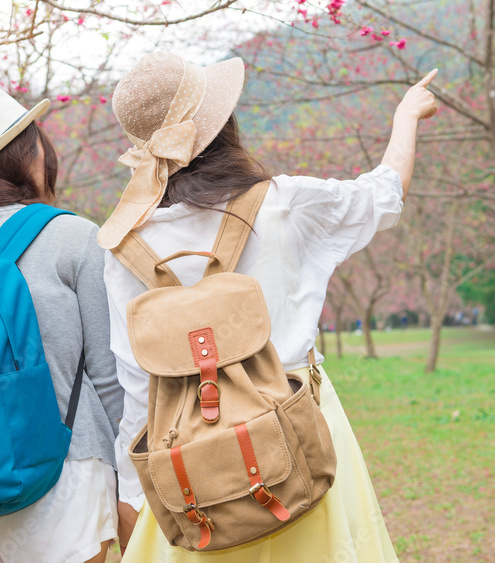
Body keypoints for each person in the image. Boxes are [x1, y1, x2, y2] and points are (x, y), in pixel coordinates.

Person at [99, 52, 437, 560]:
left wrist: (133, 490)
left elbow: (136, 385)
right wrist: (406, 116)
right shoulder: (283, 202)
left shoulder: (123, 245)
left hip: (194, 459)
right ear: (222, 126)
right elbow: (384, 196)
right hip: (295, 427)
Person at [0, 85, 124, 563]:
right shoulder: (76, 237)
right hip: (67, 471)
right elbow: (109, 375)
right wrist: (132, 483)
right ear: (31, 156)